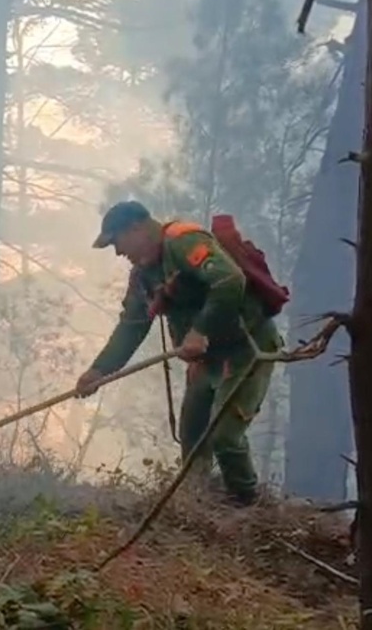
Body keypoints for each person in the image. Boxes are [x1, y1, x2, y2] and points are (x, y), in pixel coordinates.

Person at [75, 200, 282, 507]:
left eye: (117, 242)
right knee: (193, 438)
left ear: (137, 228)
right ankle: (198, 508)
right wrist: (99, 370)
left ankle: (249, 510)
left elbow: (229, 280)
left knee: (225, 437)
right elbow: (132, 325)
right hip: (206, 361)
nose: (118, 253)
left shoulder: (184, 242)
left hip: (246, 350)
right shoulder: (143, 275)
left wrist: (200, 330)